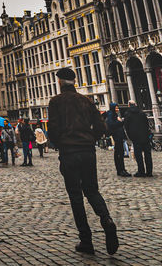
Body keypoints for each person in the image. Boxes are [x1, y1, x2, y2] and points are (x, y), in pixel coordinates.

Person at [47, 67, 118, 256]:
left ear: (60, 82)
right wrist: (90, 139)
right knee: (92, 190)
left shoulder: (56, 102)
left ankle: (86, 240)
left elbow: (52, 129)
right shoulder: (86, 101)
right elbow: (101, 127)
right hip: (87, 151)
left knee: (75, 197)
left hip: (69, 152)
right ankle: (106, 220)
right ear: (74, 81)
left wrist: (60, 142)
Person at [123, 102, 152, 177]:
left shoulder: (127, 114)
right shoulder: (142, 113)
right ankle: (149, 172)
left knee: (138, 155)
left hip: (135, 137)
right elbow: (147, 124)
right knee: (147, 154)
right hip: (145, 136)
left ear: (129, 105)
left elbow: (126, 127)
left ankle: (141, 171)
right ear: (135, 105)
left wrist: (130, 137)